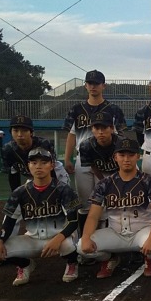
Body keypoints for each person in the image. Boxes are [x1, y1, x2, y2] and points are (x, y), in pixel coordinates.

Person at [0, 147, 81, 286]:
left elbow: (73, 221)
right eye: (34, 163)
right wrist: (0, 240)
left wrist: (58, 238)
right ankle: (25, 265)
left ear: (52, 165)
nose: (38, 166)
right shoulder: (19, 192)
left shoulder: (64, 189)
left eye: (43, 162)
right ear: (28, 166)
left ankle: (72, 263)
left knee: (68, 245)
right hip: (32, 239)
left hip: (60, 237)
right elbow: (9, 221)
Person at [79, 138, 151, 278]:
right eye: (122, 155)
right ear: (115, 157)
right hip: (115, 233)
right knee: (81, 246)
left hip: (141, 232)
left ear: (138, 156)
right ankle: (109, 259)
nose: (126, 159)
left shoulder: (150, 181)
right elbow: (93, 216)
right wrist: (85, 237)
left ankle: (150, 260)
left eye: (131, 155)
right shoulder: (104, 184)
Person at [63, 70, 127, 240]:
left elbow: (121, 135)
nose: (93, 86)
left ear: (103, 86)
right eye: (90, 83)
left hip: (108, 160)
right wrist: (67, 158)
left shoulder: (113, 109)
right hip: (84, 159)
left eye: (96, 83)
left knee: (107, 202)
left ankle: (105, 238)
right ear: (85, 85)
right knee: (84, 203)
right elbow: (72, 134)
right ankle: (84, 239)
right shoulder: (77, 109)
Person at [2, 115, 69, 191]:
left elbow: (50, 169)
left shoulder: (43, 144)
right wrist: (16, 194)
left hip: (56, 172)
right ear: (11, 132)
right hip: (33, 176)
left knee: (61, 194)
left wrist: (53, 191)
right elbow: (13, 173)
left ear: (31, 132)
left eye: (24, 130)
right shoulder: (8, 149)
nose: (20, 134)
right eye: (16, 130)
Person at [78, 111, 121, 181]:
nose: (100, 132)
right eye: (97, 128)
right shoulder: (85, 146)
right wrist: (103, 182)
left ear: (112, 128)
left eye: (104, 128)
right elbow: (93, 166)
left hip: (123, 170)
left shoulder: (121, 142)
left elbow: (127, 165)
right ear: (92, 129)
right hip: (100, 171)